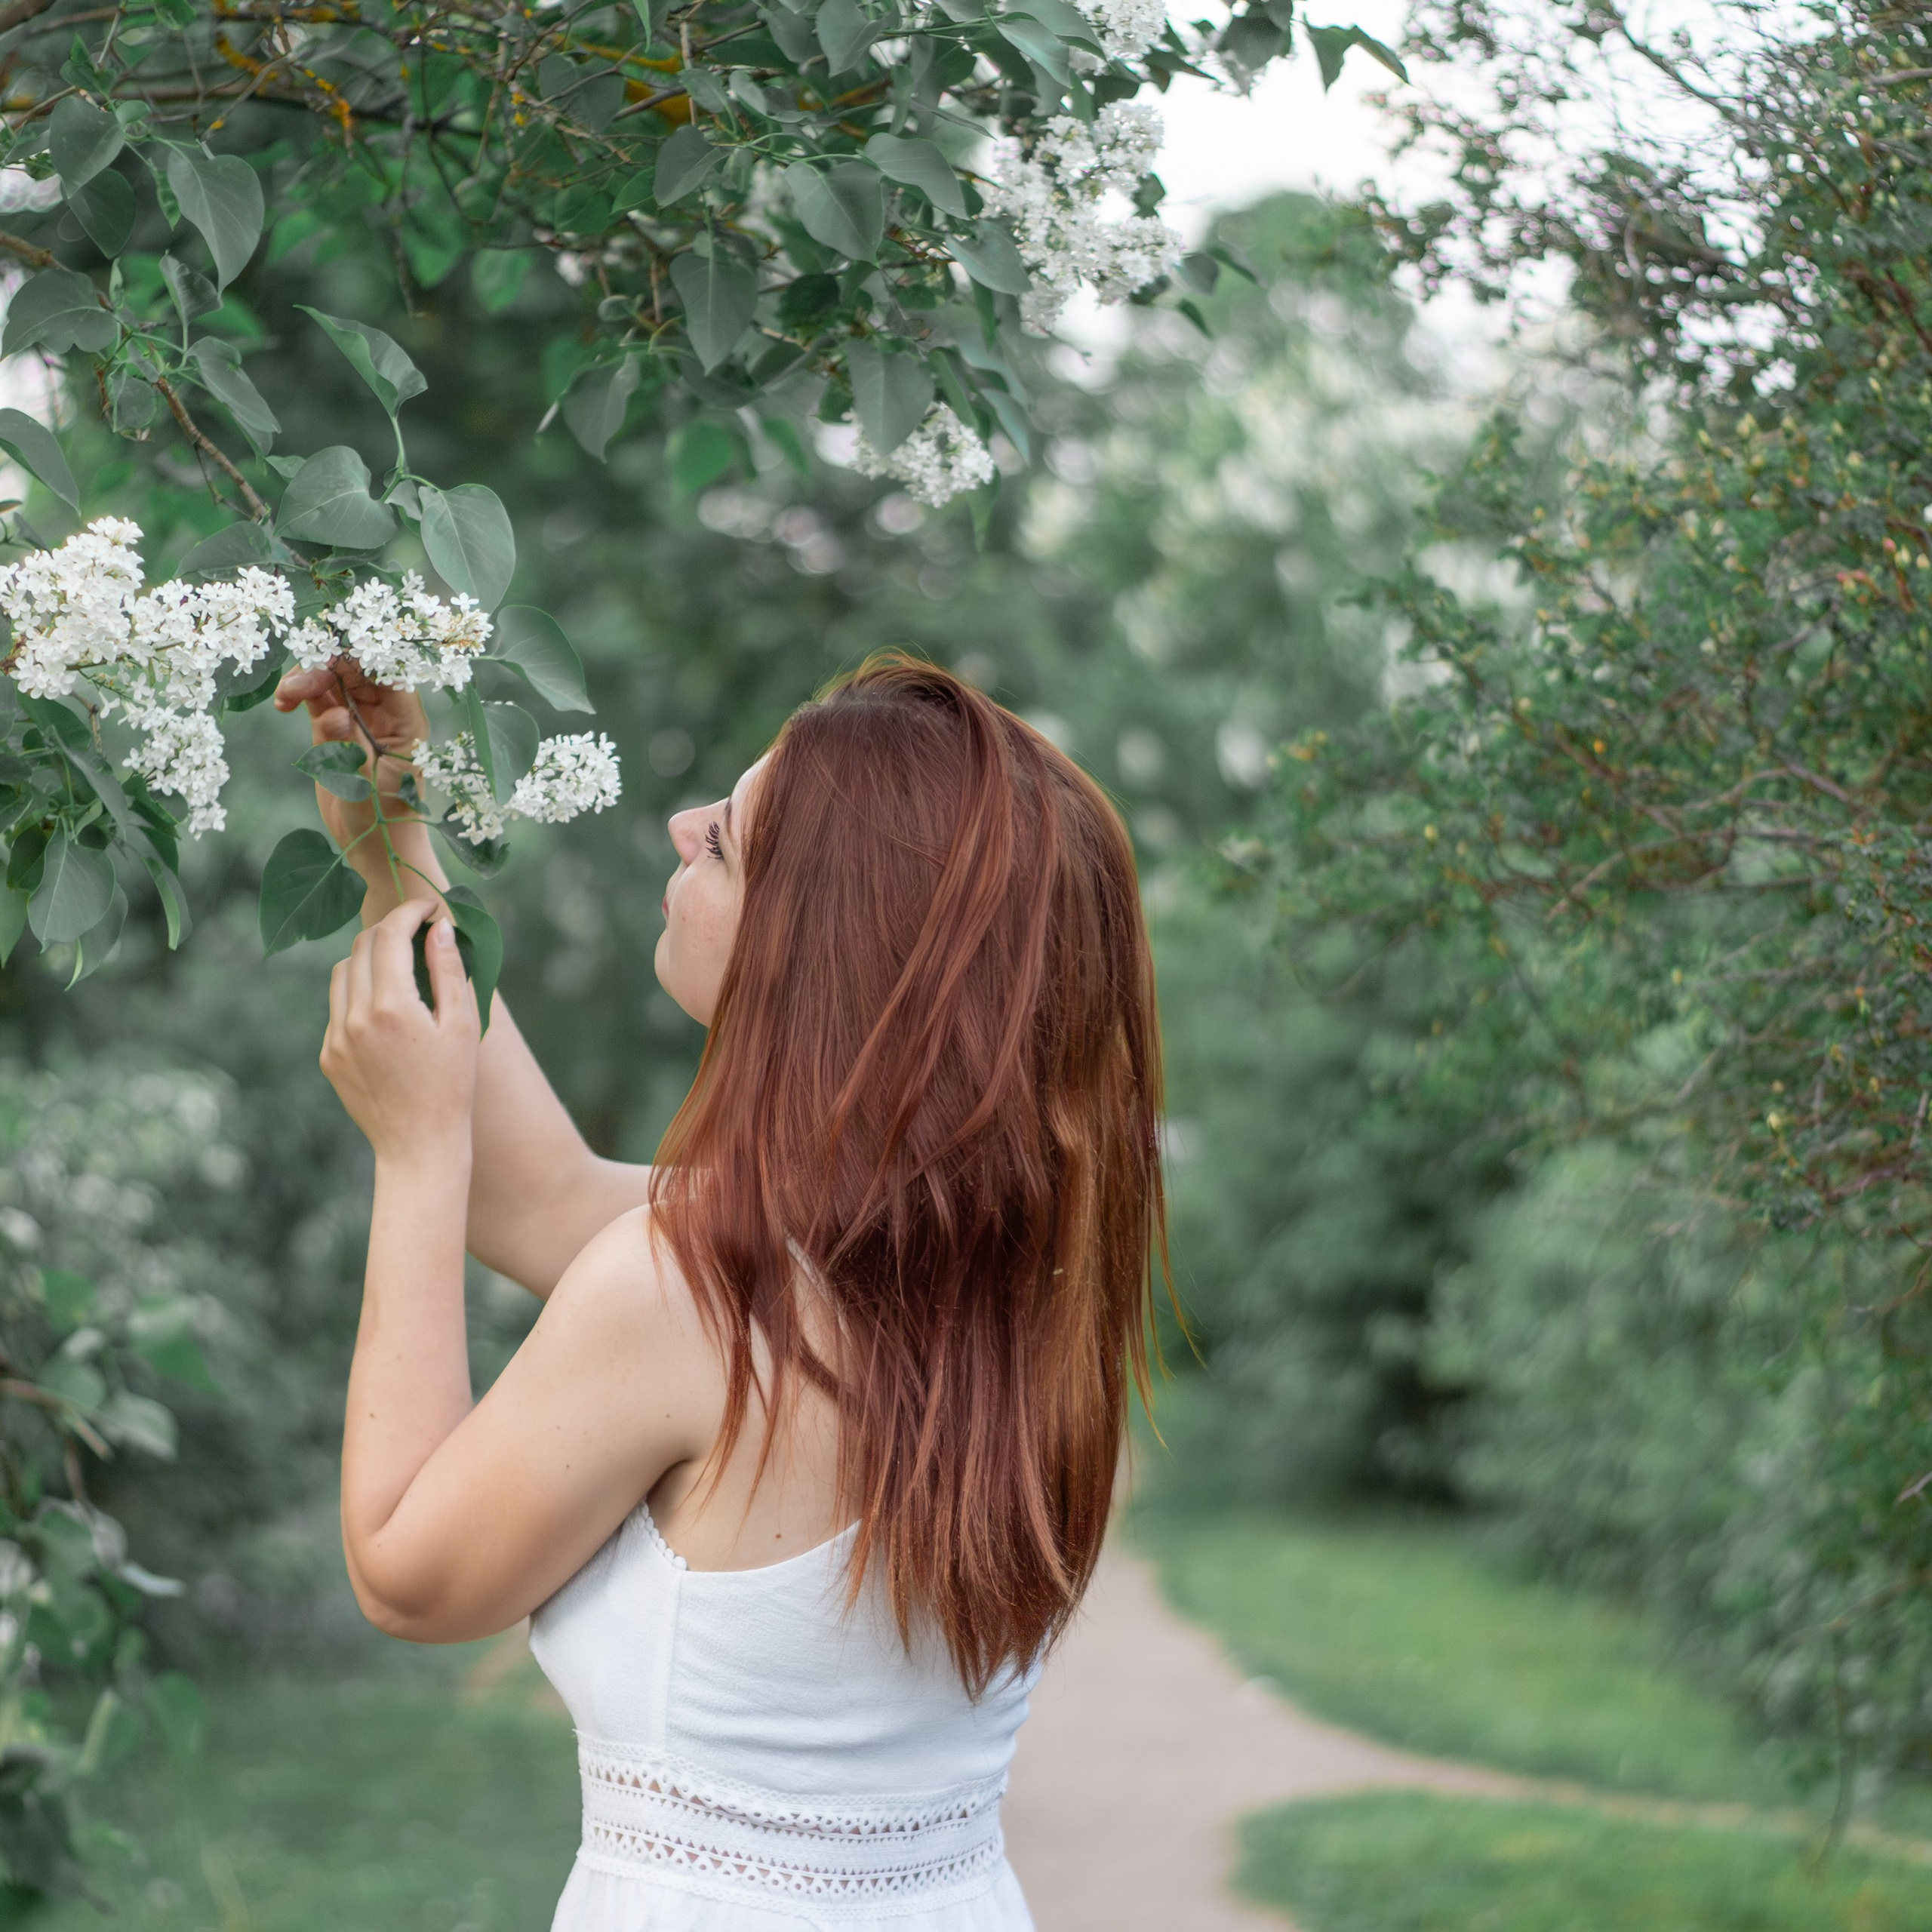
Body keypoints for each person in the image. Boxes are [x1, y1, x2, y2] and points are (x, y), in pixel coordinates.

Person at [273, 651, 1166, 1930]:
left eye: (733, 844)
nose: (686, 826)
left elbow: (410, 1577)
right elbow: (537, 1199)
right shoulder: (1008, 1260)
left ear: (824, 949)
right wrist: (393, 845)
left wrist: (414, 1156)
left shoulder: (694, 1290)